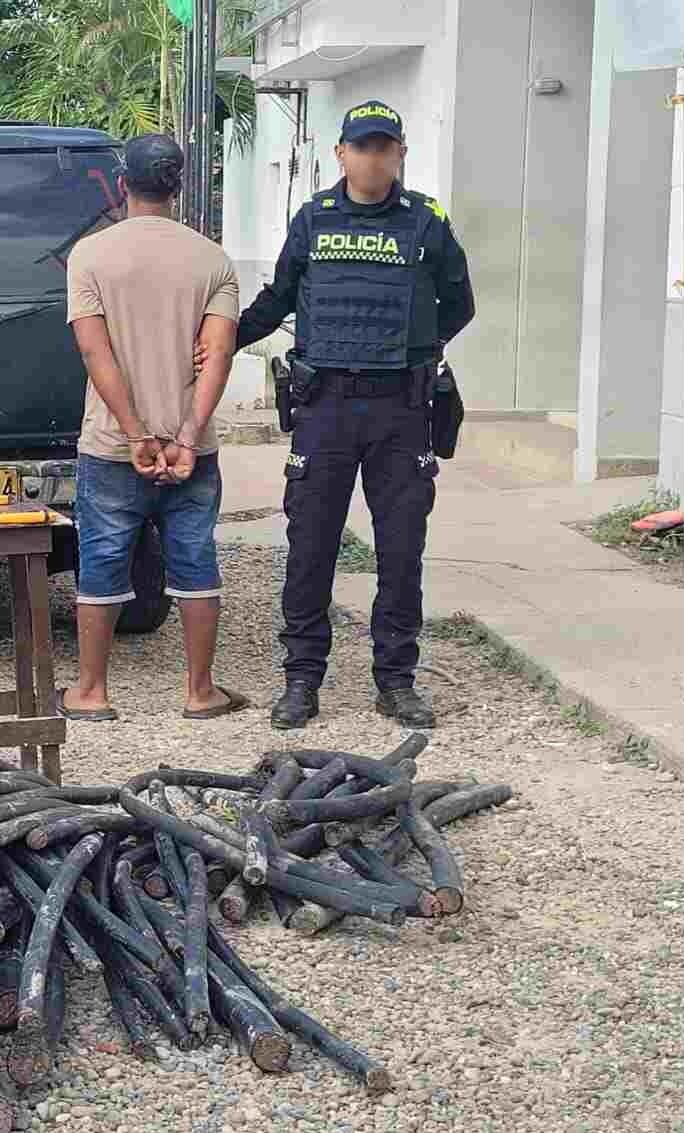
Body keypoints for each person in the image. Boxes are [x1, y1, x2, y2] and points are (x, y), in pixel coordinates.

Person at [218, 100, 475, 730]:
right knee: (310, 547)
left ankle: (396, 681)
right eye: (362, 146)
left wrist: (413, 349)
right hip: (326, 405)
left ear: (400, 155)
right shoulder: (313, 220)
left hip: (400, 408)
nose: (373, 157)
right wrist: (219, 340)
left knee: (401, 549)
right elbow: (277, 300)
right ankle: (301, 681)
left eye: (384, 146)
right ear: (341, 154)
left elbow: (459, 304)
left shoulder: (426, 223)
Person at [54, 133, 246, 724]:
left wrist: (137, 433)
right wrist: (186, 436)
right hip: (193, 449)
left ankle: (91, 692)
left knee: (104, 559)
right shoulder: (212, 259)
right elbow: (218, 356)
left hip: (115, 447)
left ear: (121, 187)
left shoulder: (90, 256)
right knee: (194, 558)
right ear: (179, 188)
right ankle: (200, 690)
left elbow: (95, 353)